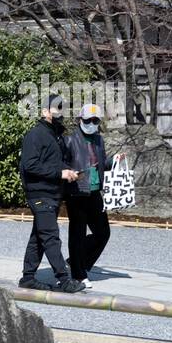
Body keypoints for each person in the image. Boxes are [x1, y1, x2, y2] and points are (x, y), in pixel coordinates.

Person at [19, 94, 84, 293]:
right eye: (56, 109)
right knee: (50, 236)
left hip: (52, 192)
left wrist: (69, 173)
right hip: (39, 194)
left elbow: (55, 164)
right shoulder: (35, 135)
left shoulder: (55, 136)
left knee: (38, 237)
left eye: (62, 109)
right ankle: (64, 280)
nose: (59, 113)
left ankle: (28, 278)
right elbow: (29, 166)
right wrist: (59, 173)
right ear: (45, 111)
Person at [63, 104, 123, 282]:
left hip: (95, 191)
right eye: (87, 120)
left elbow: (101, 164)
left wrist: (114, 161)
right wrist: (69, 173)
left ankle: (77, 261)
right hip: (77, 191)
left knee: (103, 233)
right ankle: (78, 274)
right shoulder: (69, 140)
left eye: (95, 120)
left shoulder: (99, 140)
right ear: (80, 120)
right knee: (78, 233)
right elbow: (62, 164)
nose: (91, 123)